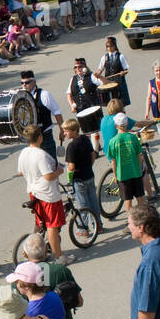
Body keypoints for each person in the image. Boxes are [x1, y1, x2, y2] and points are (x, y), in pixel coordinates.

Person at [17, 124, 66, 262]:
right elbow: (48, 176)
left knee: (40, 223)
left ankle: (33, 251)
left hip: (33, 192)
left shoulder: (23, 153)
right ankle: (59, 257)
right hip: (48, 194)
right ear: (40, 137)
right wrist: (60, 170)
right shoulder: (41, 155)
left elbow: (20, 172)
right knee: (52, 226)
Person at [103, 112, 145, 211]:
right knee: (140, 197)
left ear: (115, 125)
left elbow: (113, 161)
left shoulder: (113, 141)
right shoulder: (133, 137)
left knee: (128, 199)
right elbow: (140, 156)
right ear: (127, 124)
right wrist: (139, 169)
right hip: (135, 172)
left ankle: (130, 219)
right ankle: (143, 218)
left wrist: (115, 175)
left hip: (122, 175)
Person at [19, 70, 64, 161]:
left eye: (27, 82)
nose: (24, 85)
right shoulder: (20, 97)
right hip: (31, 138)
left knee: (51, 164)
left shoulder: (44, 95)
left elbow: (56, 112)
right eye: (22, 83)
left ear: (34, 82)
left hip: (45, 136)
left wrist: (62, 130)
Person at [62, 119, 99, 228]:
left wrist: (69, 177)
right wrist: (89, 166)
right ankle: (98, 225)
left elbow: (71, 167)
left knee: (83, 205)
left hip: (79, 180)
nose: (64, 133)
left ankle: (84, 228)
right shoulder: (85, 139)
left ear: (74, 130)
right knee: (93, 202)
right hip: (89, 175)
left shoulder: (71, 147)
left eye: (66, 131)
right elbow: (93, 155)